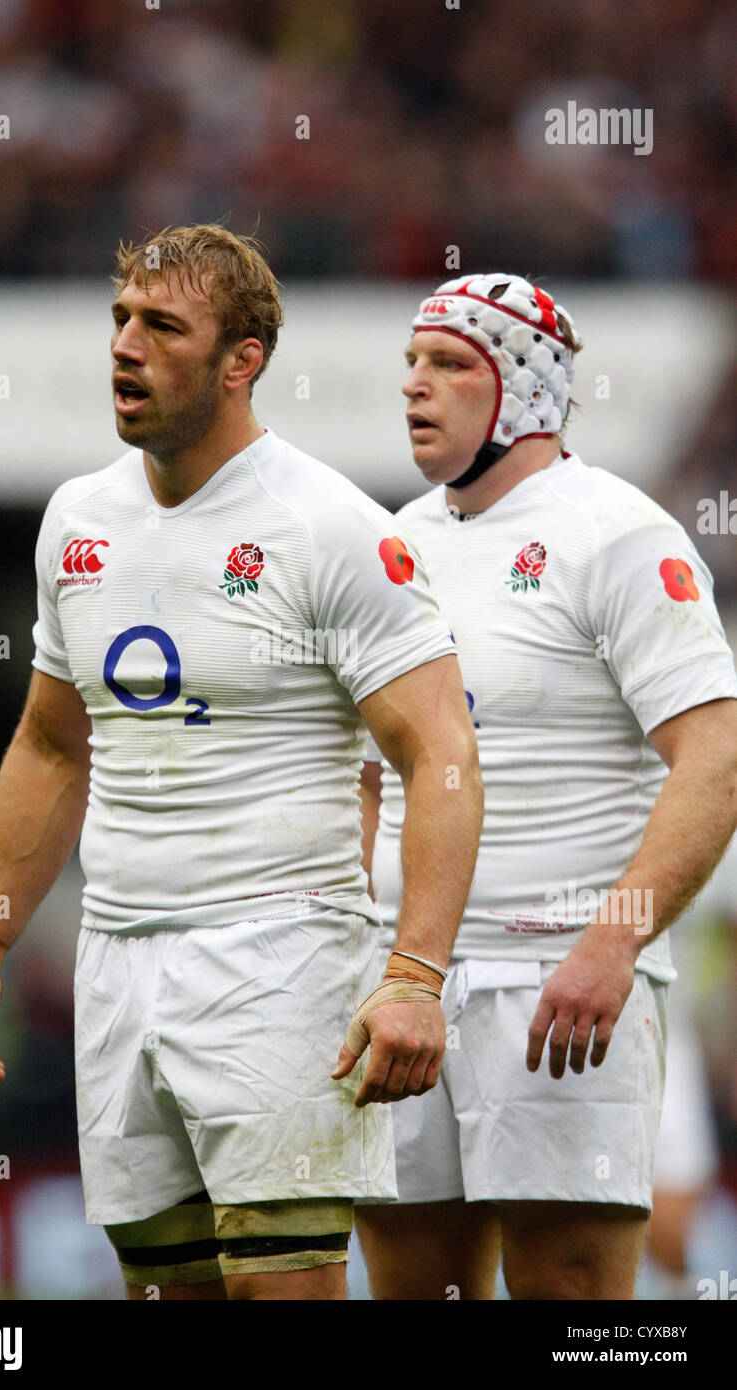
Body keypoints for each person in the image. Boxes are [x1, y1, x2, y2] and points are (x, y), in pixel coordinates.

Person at [0, 226, 483, 1302]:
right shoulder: (76, 521)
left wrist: (412, 975)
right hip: (120, 961)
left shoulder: (325, 527)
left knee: (280, 1289)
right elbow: (50, 743)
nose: (126, 347)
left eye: (162, 327)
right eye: (121, 321)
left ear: (242, 361)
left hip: (278, 959)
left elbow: (441, 752)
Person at [355, 272, 737, 1301]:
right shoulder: (391, 542)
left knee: (571, 1305)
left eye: (445, 363)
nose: (413, 386)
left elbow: (714, 757)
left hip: (555, 989)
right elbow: (364, 774)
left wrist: (610, 942)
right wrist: (367, 949)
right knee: (410, 1289)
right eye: (408, 363)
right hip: (408, 988)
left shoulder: (618, 533)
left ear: (522, 388)